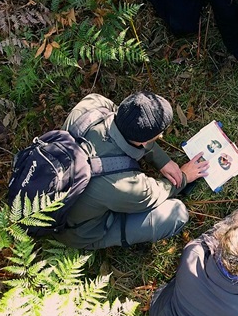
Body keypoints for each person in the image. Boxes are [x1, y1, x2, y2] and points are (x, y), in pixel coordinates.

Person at [52, 92, 209, 250]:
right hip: (76, 233)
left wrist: (162, 160)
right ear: (145, 141)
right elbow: (155, 193)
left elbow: (127, 129)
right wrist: (183, 177)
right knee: (176, 214)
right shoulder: (122, 185)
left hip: (51, 188)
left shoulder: (93, 104)